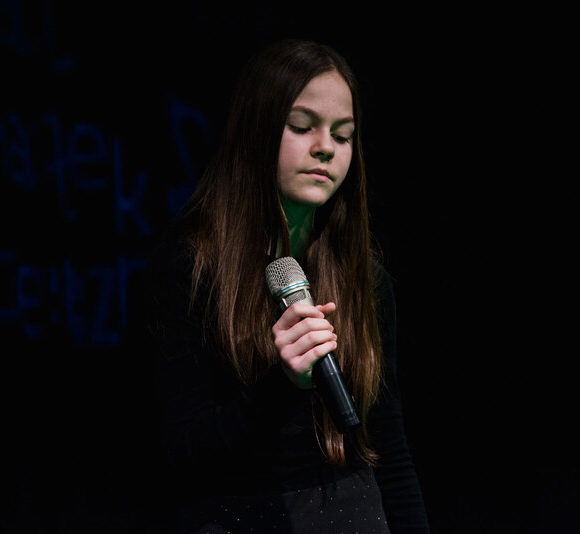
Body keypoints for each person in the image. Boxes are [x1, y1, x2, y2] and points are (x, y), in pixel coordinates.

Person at [145, 38, 430, 533]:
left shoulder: (364, 278)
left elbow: (390, 451)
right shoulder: (191, 269)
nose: (325, 147)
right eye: (301, 127)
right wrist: (282, 386)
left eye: (342, 135)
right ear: (256, 131)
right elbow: (181, 453)